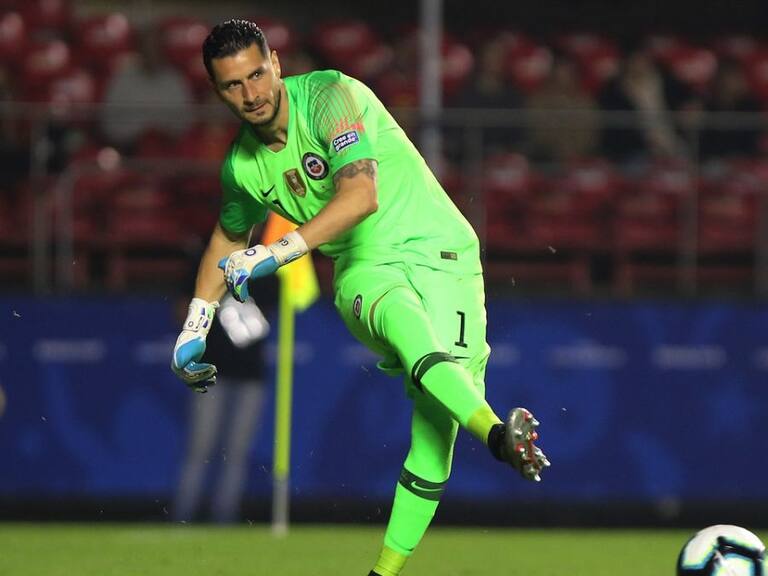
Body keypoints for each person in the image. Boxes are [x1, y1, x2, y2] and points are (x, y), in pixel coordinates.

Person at [170, 19, 549, 576]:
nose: (251, 95)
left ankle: (383, 573)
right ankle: (497, 434)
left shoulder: (328, 96)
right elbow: (228, 237)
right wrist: (194, 325)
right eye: (233, 85)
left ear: (275, 62)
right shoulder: (242, 167)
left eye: (256, 75)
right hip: (365, 265)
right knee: (404, 326)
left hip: (446, 251)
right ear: (216, 89)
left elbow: (361, 194)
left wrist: (274, 254)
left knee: (436, 428)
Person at [172, 286, 273, 524]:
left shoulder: (264, 269)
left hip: (250, 375)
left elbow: (268, 315)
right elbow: (181, 310)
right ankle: (182, 514)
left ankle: (224, 515)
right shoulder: (208, 260)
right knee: (200, 446)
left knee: (236, 451)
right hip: (210, 371)